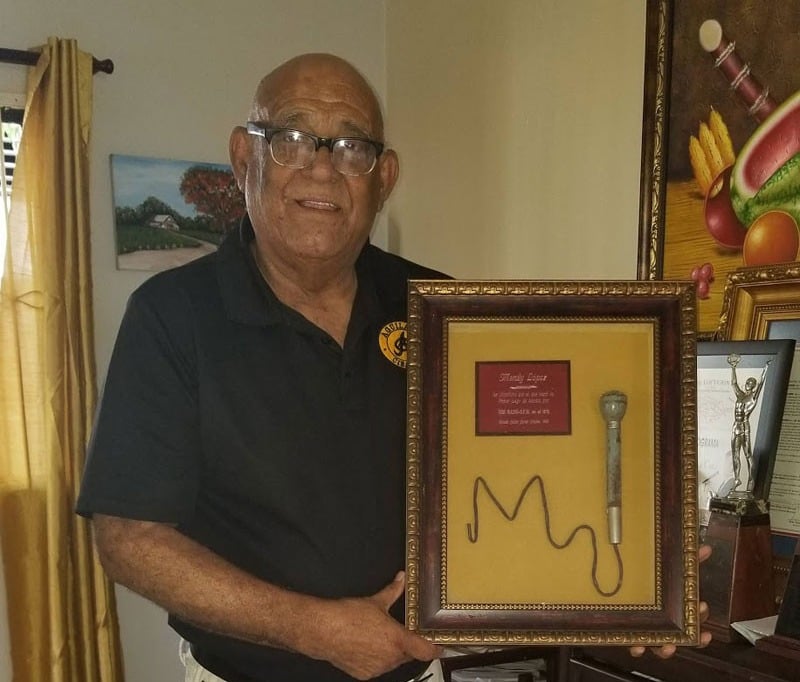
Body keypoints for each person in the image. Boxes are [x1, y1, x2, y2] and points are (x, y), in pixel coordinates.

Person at [77, 53, 710, 682]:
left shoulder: (442, 313)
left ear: (384, 178)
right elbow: (129, 539)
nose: (322, 168)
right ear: (245, 157)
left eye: (351, 147)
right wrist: (314, 629)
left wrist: (637, 586)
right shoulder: (172, 315)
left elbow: (529, 471)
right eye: (292, 138)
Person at [728, 354, 770, 493]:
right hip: (735, 426)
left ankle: (751, 481)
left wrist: (765, 369)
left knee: (747, 454)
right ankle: (737, 479)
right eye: (747, 383)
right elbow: (733, 383)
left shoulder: (753, 398)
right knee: (735, 454)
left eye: (751, 384)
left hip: (744, 427)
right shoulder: (740, 395)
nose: (748, 385)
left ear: (753, 386)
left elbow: (761, 384)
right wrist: (733, 368)